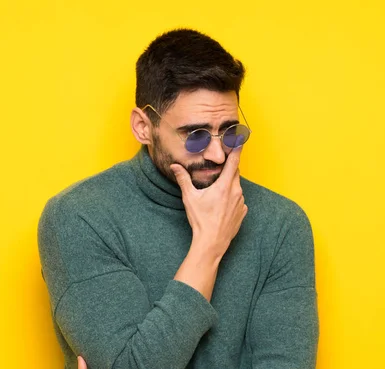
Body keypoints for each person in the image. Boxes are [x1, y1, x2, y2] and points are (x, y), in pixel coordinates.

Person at [38, 28, 319, 369]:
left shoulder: (281, 224)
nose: (218, 153)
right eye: (195, 135)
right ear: (143, 126)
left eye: (230, 132)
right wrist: (209, 245)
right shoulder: (79, 218)